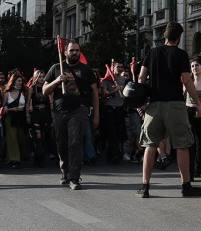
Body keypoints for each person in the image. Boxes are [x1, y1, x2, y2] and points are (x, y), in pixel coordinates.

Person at [136, 21, 201, 198]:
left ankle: (145, 186)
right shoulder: (181, 54)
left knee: (150, 145)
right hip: (175, 104)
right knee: (182, 145)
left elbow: (141, 78)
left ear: (165, 36)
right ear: (180, 38)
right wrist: (198, 103)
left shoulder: (152, 52)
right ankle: (186, 186)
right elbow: (187, 81)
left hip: (154, 105)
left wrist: (142, 103)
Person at [43, 40, 100, 190]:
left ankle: (74, 176)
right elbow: (45, 90)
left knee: (75, 142)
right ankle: (65, 171)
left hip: (79, 110)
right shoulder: (56, 68)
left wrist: (96, 115)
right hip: (59, 111)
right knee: (61, 143)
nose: (75, 53)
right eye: (72, 50)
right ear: (65, 52)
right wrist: (56, 81)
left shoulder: (86, 70)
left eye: (77, 50)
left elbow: (95, 93)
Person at [99, 62, 128, 164]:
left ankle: (119, 152)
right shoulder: (107, 80)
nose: (120, 69)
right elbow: (103, 97)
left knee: (121, 133)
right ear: (113, 68)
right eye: (118, 67)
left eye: (121, 67)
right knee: (112, 133)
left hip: (120, 110)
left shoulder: (124, 80)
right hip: (110, 109)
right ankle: (112, 155)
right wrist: (112, 92)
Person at [0, 69, 27, 169]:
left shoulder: (24, 92)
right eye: (18, 81)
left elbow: (27, 104)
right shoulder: (6, 93)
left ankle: (18, 155)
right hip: (10, 117)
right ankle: (14, 159)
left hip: (21, 116)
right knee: (12, 138)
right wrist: (10, 108)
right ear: (13, 82)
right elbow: (3, 107)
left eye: (21, 81)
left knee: (21, 137)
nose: (20, 83)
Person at [26, 70, 52, 167]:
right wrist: (27, 114)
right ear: (36, 77)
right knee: (37, 135)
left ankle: (41, 158)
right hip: (36, 113)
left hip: (45, 113)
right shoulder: (32, 88)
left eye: (43, 76)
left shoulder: (47, 87)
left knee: (44, 136)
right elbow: (28, 103)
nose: (42, 78)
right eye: (40, 76)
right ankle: (38, 158)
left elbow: (51, 101)